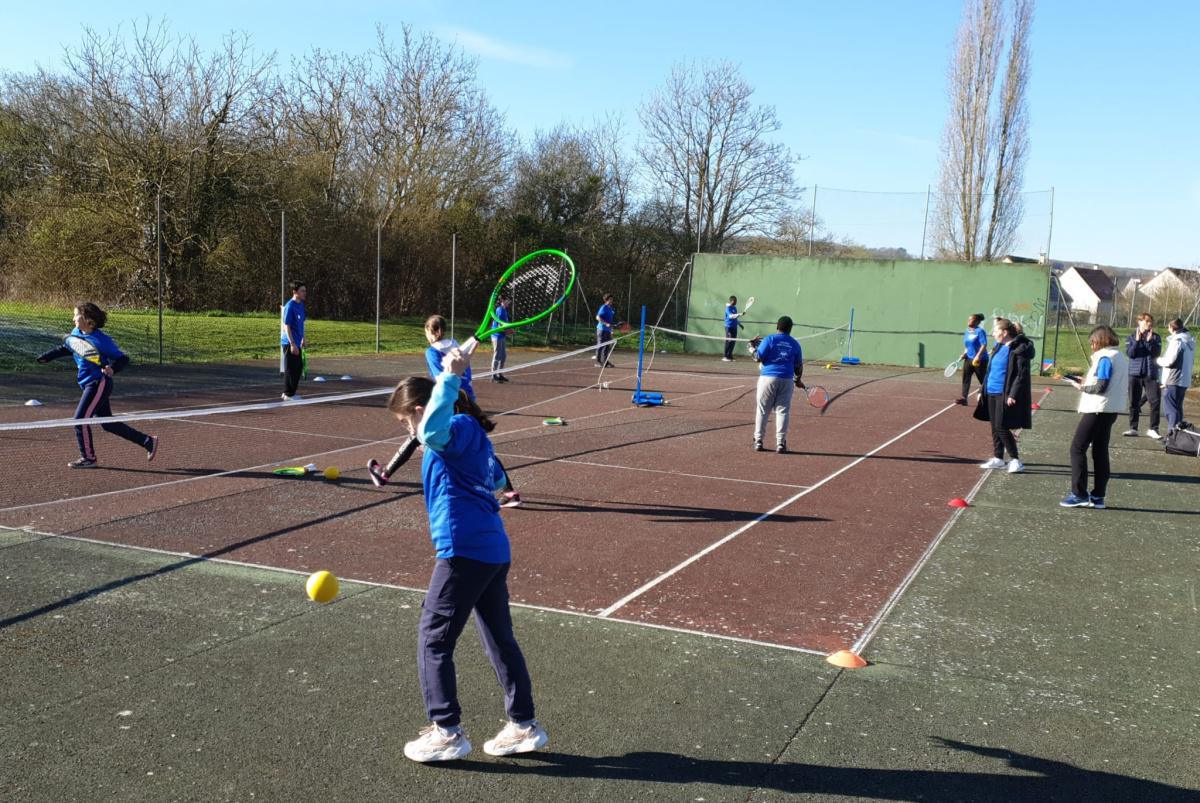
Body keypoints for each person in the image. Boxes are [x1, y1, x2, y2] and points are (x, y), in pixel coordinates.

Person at [389, 348, 548, 763]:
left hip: (464, 551)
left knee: (433, 640)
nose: (410, 433)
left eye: (408, 421)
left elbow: (432, 433)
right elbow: (496, 478)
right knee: (499, 638)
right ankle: (524, 725)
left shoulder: (451, 428)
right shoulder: (471, 434)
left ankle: (446, 731)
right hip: (491, 549)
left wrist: (450, 376)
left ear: (422, 410)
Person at [36, 303, 159, 468]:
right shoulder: (76, 333)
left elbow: (123, 359)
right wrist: (47, 357)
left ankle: (88, 458)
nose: (73, 318)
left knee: (80, 420)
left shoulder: (102, 341)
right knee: (107, 423)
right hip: (88, 383)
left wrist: (113, 369)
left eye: (76, 316)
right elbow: (68, 348)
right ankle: (147, 441)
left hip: (98, 383)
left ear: (89, 321)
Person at [424, 315, 519, 508]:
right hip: (469, 399)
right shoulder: (456, 344)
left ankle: (495, 490)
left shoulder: (432, 352)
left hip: (452, 401)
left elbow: (443, 377)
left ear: (432, 331)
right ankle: (508, 491)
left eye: (426, 331)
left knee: (431, 438)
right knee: (478, 443)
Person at [1060, 326, 1129, 508]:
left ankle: (1079, 493)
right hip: (1110, 409)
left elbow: (1101, 387)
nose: (1091, 345)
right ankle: (1098, 495)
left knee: (1077, 448)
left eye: (1093, 342)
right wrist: (1085, 381)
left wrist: (1082, 387)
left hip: (1098, 408)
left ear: (1100, 340)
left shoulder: (1105, 358)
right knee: (1100, 451)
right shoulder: (1120, 356)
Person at [973, 317, 1033, 474]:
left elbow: (1021, 374)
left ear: (1005, 332)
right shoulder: (998, 346)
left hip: (1003, 393)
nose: (993, 333)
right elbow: (990, 370)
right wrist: (982, 390)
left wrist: (1013, 394)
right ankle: (998, 458)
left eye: (995, 331)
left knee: (1001, 426)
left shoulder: (1018, 349)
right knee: (994, 426)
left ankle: (1015, 460)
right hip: (991, 391)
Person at [751, 316, 804, 453]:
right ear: (790, 329)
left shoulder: (770, 339)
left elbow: (757, 357)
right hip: (786, 379)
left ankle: (758, 441)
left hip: (767, 378)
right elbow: (798, 366)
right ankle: (780, 443)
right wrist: (797, 380)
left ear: (777, 326)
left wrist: (751, 347)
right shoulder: (795, 344)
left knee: (763, 410)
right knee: (783, 411)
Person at [1123, 313, 1162, 438]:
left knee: (1155, 401)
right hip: (1135, 374)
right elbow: (1131, 354)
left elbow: (1156, 353)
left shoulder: (1156, 338)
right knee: (1133, 401)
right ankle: (1133, 428)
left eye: (1151, 321)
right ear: (1139, 322)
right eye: (1146, 321)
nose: (1149, 324)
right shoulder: (1131, 337)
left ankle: (1153, 429)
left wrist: (1150, 342)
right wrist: (1137, 341)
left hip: (1151, 374)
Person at [1155, 318, 1196, 433]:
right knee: (1177, 408)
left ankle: (1172, 435)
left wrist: (1158, 360)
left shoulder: (1177, 341)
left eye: (1168, 327)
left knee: (1171, 409)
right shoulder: (1189, 341)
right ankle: (1178, 435)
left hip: (1174, 379)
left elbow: (1169, 361)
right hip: (1184, 379)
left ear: (1172, 328)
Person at [280, 280, 307, 401]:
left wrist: (303, 338)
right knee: (291, 368)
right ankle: (288, 394)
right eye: (302, 290)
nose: (304, 293)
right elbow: (287, 326)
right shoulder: (290, 306)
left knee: (299, 367)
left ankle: (291, 392)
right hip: (289, 342)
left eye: (305, 290)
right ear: (295, 292)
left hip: (298, 341)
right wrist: (292, 344)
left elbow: (302, 323)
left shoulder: (301, 305)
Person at [955, 313, 988, 404]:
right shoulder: (967, 331)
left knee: (983, 380)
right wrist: (964, 354)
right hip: (969, 359)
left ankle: (990, 398)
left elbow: (984, 345)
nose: (969, 321)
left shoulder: (980, 331)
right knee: (966, 378)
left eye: (971, 319)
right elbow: (967, 346)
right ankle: (964, 398)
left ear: (977, 321)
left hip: (980, 360)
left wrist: (978, 356)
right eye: (968, 319)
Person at [490, 296, 512, 383]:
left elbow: (504, 326)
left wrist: (508, 330)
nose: (509, 302)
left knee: (503, 356)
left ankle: (500, 374)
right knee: (497, 356)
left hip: (502, 336)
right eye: (507, 300)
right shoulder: (499, 310)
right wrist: (508, 331)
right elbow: (499, 326)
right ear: (502, 300)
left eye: (509, 301)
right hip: (497, 336)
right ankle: (493, 375)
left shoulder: (504, 310)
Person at [595, 293, 616, 367]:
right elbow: (597, 317)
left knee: (607, 346)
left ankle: (605, 361)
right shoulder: (603, 307)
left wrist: (611, 329)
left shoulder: (611, 309)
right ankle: (598, 361)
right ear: (606, 300)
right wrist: (606, 324)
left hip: (607, 330)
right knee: (600, 345)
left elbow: (610, 321)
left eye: (612, 299)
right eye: (610, 299)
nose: (611, 301)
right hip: (601, 330)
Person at [723, 296, 743, 362]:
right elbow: (731, 316)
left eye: (736, 301)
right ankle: (725, 356)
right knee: (728, 341)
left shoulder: (734, 308)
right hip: (728, 327)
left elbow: (735, 318)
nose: (736, 302)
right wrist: (740, 314)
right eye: (735, 301)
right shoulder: (727, 308)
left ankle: (730, 356)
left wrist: (739, 324)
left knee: (733, 341)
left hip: (734, 327)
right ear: (731, 301)